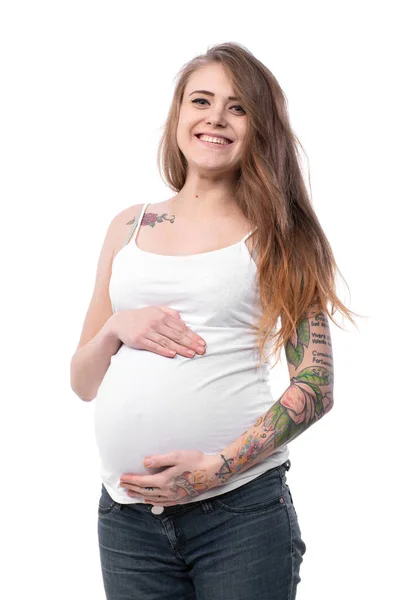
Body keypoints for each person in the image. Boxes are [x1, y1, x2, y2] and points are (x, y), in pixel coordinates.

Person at [71, 42, 358, 600]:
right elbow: (82, 382)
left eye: (238, 107)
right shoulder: (129, 226)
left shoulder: (278, 233)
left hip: (240, 515)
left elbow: (316, 386)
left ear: (259, 127)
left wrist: (217, 469)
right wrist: (115, 328)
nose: (216, 118)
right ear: (178, 114)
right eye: (201, 100)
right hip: (128, 521)